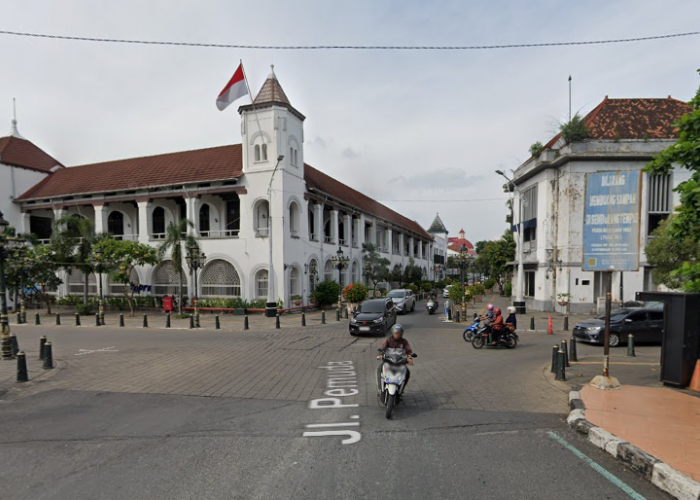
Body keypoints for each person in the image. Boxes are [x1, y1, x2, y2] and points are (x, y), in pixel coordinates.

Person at [377, 324, 413, 398]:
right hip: (389, 361)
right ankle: (380, 389)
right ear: (392, 333)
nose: (397, 335)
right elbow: (382, 348)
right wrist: (381, 355)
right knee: (379, 369)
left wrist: (410, 358)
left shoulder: (404, 342)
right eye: (396, 333)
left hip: (400, 362)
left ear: (401, 333)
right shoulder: (388, 340)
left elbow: (408, 351)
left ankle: (401, 390)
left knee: (407, 372)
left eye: (399, 333)